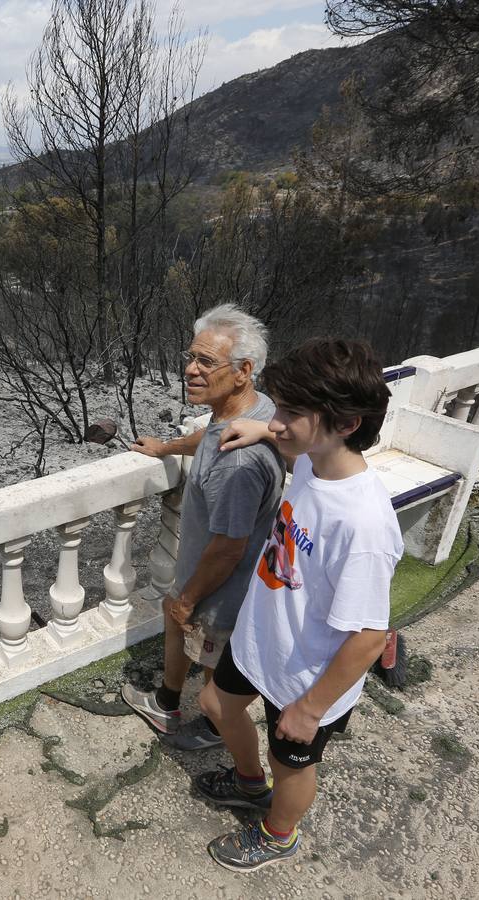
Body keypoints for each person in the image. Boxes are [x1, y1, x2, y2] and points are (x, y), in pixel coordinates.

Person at [193, 337, 402, 871]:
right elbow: (292, 442)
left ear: (346, 423)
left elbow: (370, 636)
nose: (277, 421)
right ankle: (246, 784)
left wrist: (310, 709)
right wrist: (267, 429)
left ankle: (278, 834)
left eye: (290, 412)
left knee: (290, 765)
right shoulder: (314, 459)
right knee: (215, 705)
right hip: (262, 638)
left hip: (308, 676)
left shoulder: (363, 524)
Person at [123, 304, 285, 751]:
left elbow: (229, 548)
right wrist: (167, 447)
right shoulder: (255, 411)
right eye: (190, 358)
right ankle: (168, 700)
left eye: (206, 362)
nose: (190, 370)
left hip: (222, 587)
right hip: (206, 571)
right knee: (175, 618)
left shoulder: (240, 465)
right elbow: (210, 434)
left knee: (217, 671)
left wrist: (190, 598)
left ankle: (217, 731)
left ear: (243, 371)